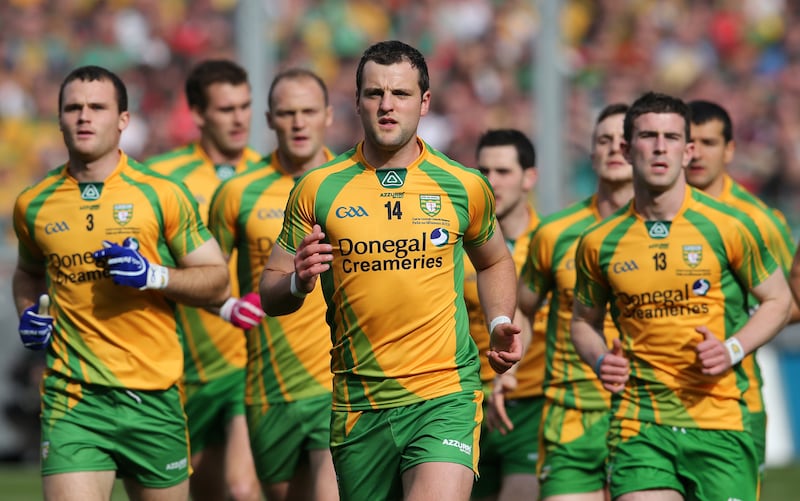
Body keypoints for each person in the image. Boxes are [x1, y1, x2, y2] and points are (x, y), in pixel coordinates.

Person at [259, 40, 522, 501]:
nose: (386, 106)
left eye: (400, 94)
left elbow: (496, 259)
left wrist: (500, 320)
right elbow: (269, 292)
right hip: (360, 403)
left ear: (424, 102)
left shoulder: (463, 185)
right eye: (374, 93)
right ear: (357, 101)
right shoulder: (317, 189)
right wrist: (299, 281)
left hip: (445, 392)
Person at [12, 65, 230, 501]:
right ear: (59, 120)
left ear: (123, 120)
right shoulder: (33, 204)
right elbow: (28, 272)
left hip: (155, 397)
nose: (84, 117)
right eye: (73, 107)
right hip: (73, 397)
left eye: (97, 107)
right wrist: (28, 314)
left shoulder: (160, 194)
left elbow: (218, 282)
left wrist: (154, 275)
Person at [570, 91, 792, 501]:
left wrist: (732, 348)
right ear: (627, 146)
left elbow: (779, 300)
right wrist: (600, 359)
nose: (659, 147)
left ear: (687, 151)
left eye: (671, 137)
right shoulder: (599, 241)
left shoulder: (732, 225)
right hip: (640, 423)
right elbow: (583, 321)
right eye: (648, 136)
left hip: (721, 419)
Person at [208, 67, 338, 501]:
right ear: (268, 119)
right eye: (286, 113)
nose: (298, 123)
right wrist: (227, 305)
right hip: (270, 387)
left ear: (330, 116)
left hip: (339, 382)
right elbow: (203, 276)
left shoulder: (354, 186)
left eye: (308, 111)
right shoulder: (238, 193)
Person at [144, 59, 261, 501]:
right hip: (181, 369)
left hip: (246, 364)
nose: (239, 118)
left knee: (242, 488)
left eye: (245, 106)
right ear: (197, 114)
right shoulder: (161, 179)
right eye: (226, 108)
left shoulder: (270, 176)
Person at [518, 103, 633, 501]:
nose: (615, 149)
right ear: (592, 155)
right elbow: (524, 308)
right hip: (570, 416)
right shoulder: (554, 234)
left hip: (643, 415)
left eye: (624, 141)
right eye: (604, 141)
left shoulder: (671, 234)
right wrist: (507, 370)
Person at [686, 99, 798, 490]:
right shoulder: (652, 217)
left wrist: (741, 322)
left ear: (730, 149)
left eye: (709, 142)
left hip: (736, 395)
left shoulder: (760, 221)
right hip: (655, 398)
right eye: (690, 141)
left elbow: (790, 302)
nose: (697, 152)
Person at [464, 129, 543, 501]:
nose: (490, 181)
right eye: (483, 170)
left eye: (503, 171)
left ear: (529, 177)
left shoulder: (552, 243)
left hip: (529, 404)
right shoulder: (456, 245)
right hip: (465, 404)